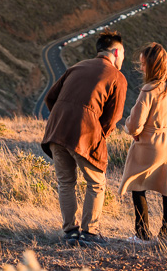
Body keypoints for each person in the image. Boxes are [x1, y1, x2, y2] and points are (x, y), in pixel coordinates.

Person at [41, 30, 128, 247]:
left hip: (56, 131)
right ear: (116, 52)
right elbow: (113, 117)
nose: (123, 59)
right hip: (84, 132)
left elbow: (51, 97)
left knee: (66, 183)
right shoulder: (116, 76)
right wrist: (100, 136)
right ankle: (90, 233)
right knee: (96, 183)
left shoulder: (77, 67)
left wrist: (62, 118)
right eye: (123, 54)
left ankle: (70, 232)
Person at [118, 42, 167, 243]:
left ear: (152, 66)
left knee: (136, 184)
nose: (141, 67)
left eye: (143, 64)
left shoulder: (149, 89)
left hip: (150, 144)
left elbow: (135, 125)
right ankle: (166, 233)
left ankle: (142, 234)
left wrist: (132, 130)